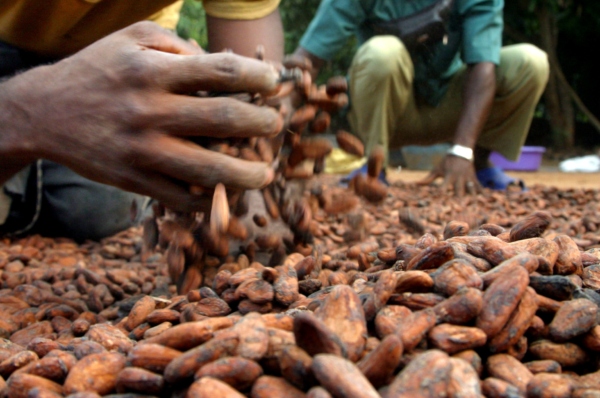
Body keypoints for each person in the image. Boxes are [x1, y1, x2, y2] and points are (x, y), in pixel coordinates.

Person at [0, 0, 285, 240]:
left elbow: (254, 107)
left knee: (103, 208)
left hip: (128, 52)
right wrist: (31, 112)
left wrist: (249, 180)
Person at [294, 0, 550, 195]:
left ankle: (477, 163)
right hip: (387, 115)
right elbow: (308, 59)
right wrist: (277, 115)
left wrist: (463, 150)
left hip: (451, 108)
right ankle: (374, 167)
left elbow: (483, 64)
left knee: (530, 63)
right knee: (383, 52)